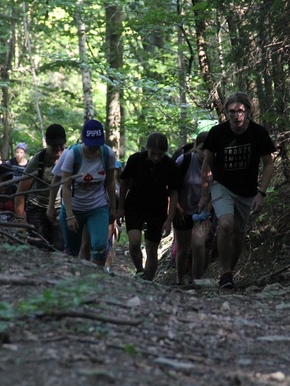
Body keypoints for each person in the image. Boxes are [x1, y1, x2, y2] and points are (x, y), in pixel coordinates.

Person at [199, 92, 276, 289]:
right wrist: (203, 194)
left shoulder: (258, 133)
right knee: (226, 223)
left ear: (248, 111)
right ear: (225, 112)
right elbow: (207, 163)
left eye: (240, 111)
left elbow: (268, 164)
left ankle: (229, 274)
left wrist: (261, 193)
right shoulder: (217, 133)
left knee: (239, 234)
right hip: (222, 185)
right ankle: (225, 273)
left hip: (248, 190)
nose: (236, 115)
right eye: (231, 111)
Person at [46, 119, 117, 267]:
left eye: (97, 144)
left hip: (98, 207)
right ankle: (74, 282)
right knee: (73, 250)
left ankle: (96, 280)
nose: (94, 148)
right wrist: (67, 214)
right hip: (74, 207)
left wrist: (114, 207)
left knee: (98, 247)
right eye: (91, 145)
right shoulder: (72, 154)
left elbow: (110, 181)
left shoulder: (107, 153)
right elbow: (63, 185)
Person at [118, 133, 180, 281]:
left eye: (160, 154)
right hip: (134, 205)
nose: (156, 157)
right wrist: (120, 207)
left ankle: (148, 280)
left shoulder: (170, 165)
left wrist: (169, 219)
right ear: (147, 150)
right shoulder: (135, 160)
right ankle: (139, 270)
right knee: (134, 242)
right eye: (153, 153)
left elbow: (174, 192)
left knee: (152, 248)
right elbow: (124, 183)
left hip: (157, 208)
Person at [14, 124, 67, 251]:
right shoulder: (39, 160)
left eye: (62, 146)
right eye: (55, 147)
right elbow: (21, 191)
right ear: (48, 144)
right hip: (37, 207)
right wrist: (21, 220)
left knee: (59, 247)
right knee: (38, 246)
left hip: (59, 208)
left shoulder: (70, 157)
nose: (59, 150)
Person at [173, 132, 211, 285]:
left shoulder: (215, 164)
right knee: (183, 249)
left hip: (202, 212)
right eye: (202, 149)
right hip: (181, 210)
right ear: (196, 148)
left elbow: (216, 190)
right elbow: (172, 186)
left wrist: (206, 211)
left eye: (209, 149)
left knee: (198, 245)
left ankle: (197, 280)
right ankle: (180, 280)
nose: (205, 153)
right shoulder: (184, 161)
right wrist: (176, 208)